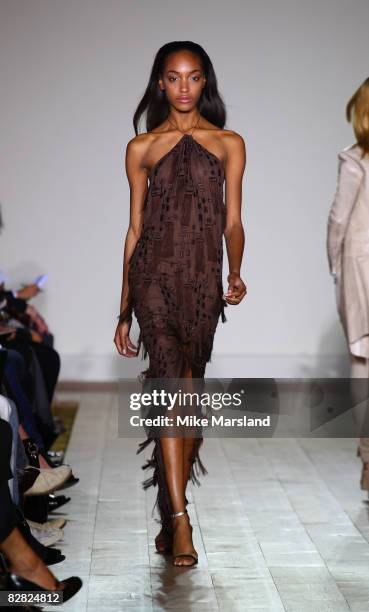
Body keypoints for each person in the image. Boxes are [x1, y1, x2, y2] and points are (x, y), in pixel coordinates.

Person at [114, 41, 246, 566]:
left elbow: (233, 221)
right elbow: (134, 230)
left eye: (193, 77)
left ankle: (173, 506)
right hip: (154, 279)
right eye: (174, 77)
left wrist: (235, 273)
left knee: (188, 397)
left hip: (203, 281)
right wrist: (124, 308)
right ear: (160, 84)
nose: (184, 87)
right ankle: (179, 520)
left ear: (205, 82)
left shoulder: (229, 143)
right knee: (171, 387)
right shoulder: (141, 147)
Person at [327, 76, 369, 490]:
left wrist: (334, 264)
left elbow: (339, 218)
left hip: (361, 264)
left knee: (362, 358)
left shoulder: (357, 159)